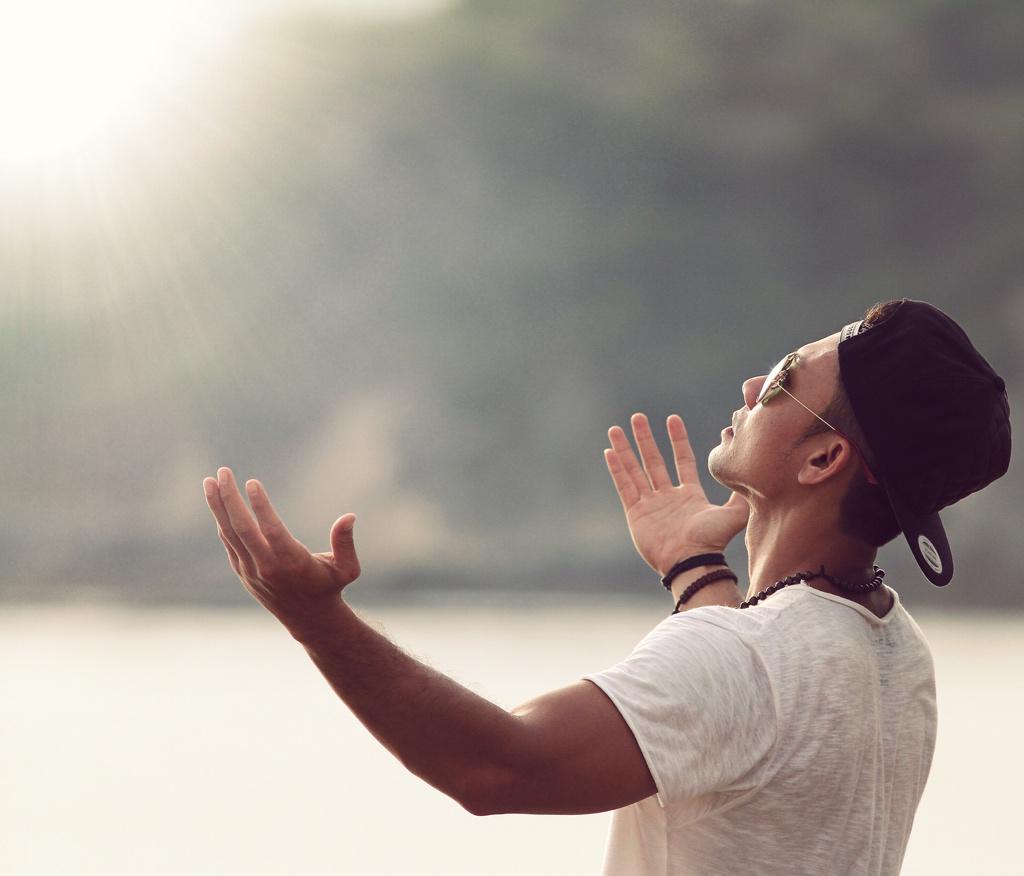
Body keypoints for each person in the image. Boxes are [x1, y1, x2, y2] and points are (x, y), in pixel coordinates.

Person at [202, 298, 1010, 875]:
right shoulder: (899, 655)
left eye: (781, 381)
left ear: (822, 459)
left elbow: (494, 767)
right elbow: (753, 712)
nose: (749, 388)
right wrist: (695, 571)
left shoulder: (744, 664)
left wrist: (316, 620)